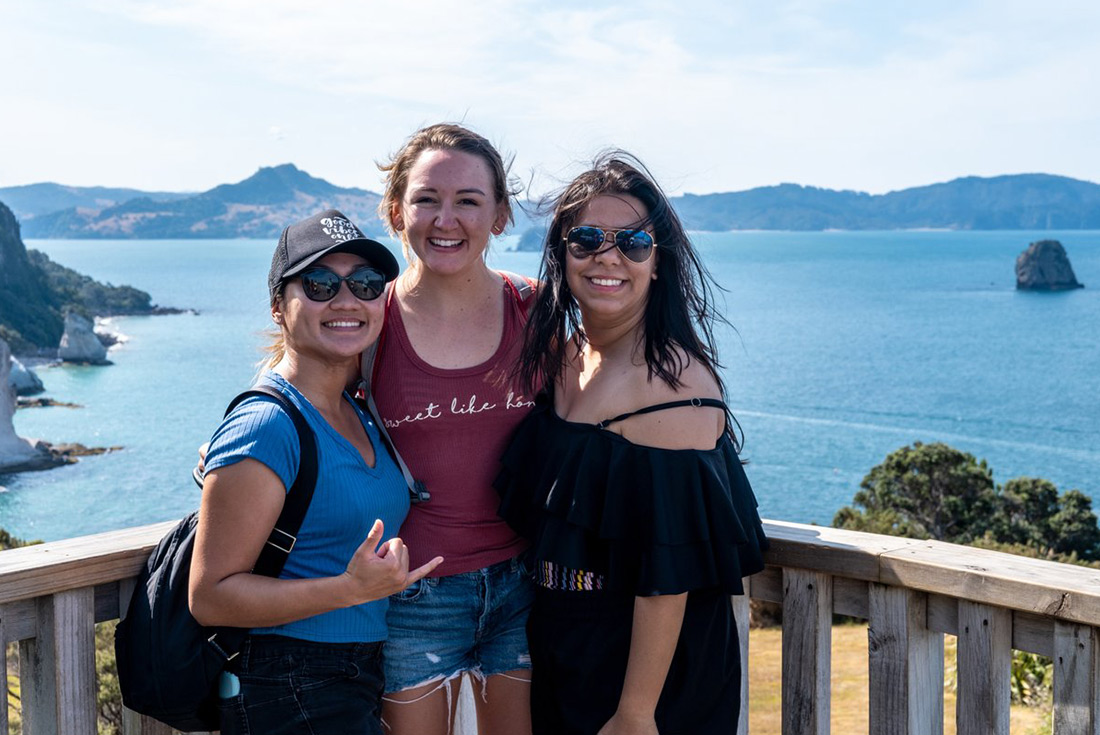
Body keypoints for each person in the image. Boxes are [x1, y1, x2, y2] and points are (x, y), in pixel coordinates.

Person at [495, 154, 769, 735]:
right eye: (587, 239)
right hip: (566, 655)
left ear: (659, 260)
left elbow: (667, 575)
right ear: (562, 253)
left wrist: (636, 714)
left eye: (634, 243)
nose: (608, 258)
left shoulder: (674, 387)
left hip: (646, 687)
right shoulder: (566, 359)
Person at [189, 209, 443, 735]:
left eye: (368, 284)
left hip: (355, 672)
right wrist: (350, 588)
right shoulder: (266, 426)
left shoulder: (357, 408)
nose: (347, 300)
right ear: (280, 307)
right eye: (321, 284)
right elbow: (210, 597)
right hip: (287, 681)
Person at [370, 124, 536, 735]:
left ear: (498, 216)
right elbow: (290, 405)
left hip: (523, 585)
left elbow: (603, 400)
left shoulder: (534, 311)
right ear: (396, 212)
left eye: (468, 200)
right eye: (426, 198)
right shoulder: (364, 321)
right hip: (410, 595)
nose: (447, 219)